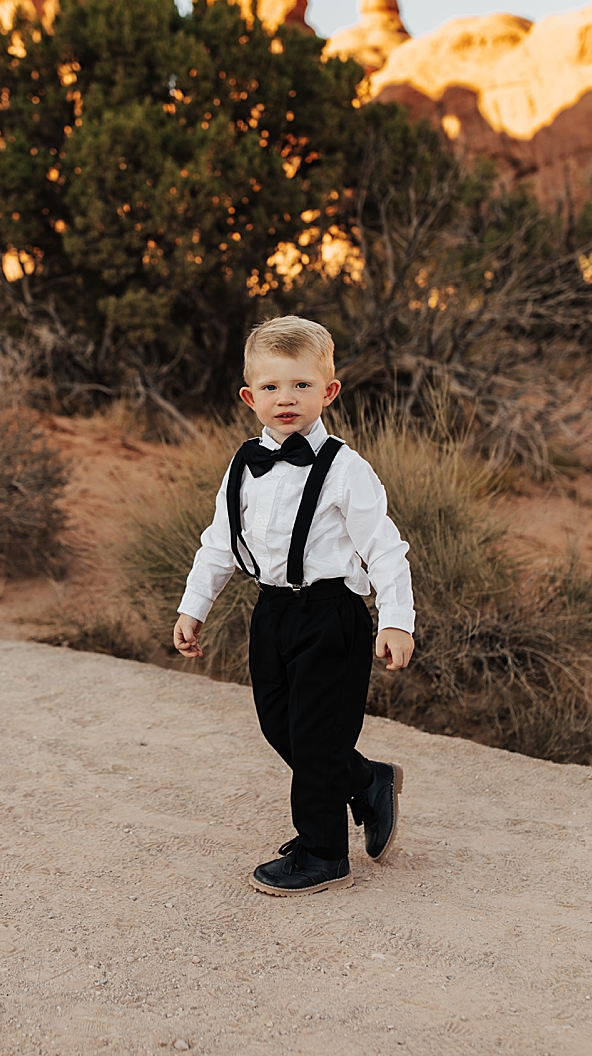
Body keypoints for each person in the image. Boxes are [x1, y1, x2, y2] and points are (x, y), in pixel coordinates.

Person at [173, 316, 417, 897]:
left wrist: (396, 620)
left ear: (328, 392)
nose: (286, 399)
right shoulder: (242, 465)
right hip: (271, 613)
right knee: (278, 723)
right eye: (272, 387)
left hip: (331, 616)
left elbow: (384, 547)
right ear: (249, 397)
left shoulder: (347, 469)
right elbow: (219, 542)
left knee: (314, 735)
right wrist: (194, 607)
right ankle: (366, 778)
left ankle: (323, 852)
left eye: (301, 385)